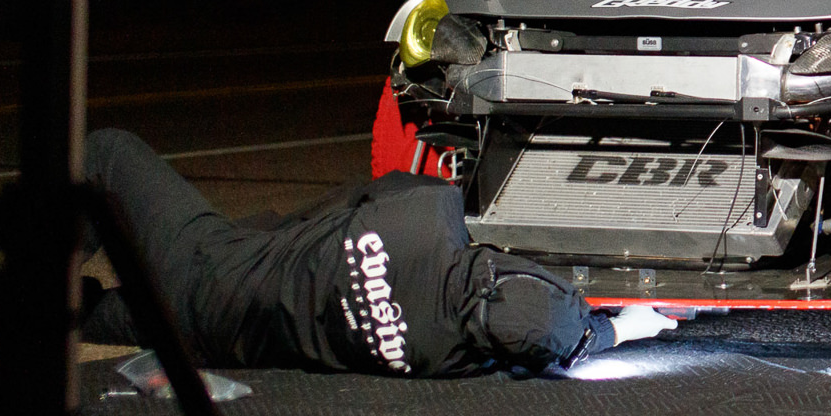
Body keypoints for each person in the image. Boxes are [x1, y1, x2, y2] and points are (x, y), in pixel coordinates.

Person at [76, 129, 673, 374]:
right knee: (80, 312)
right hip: (208, 340)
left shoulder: (425, 213)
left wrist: (265, 238)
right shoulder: (444, 360)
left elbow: (328, 211)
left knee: (107, 151)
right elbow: (543, 341)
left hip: (208, 264)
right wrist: (621, 328)